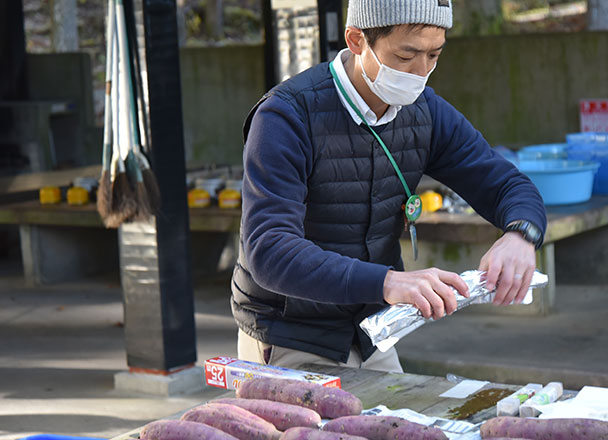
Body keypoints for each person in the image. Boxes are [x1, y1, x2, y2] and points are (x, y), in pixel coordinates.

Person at [232, 0, 547, 373]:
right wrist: (387, 282)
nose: (421, 72)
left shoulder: (424, 110)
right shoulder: (286, 116)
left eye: (434, 54)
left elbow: (505, 182)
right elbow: (269, 251)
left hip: (374, 334)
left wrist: (521, 234)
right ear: (356, 40)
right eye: (406, 55)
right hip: (289, 336)